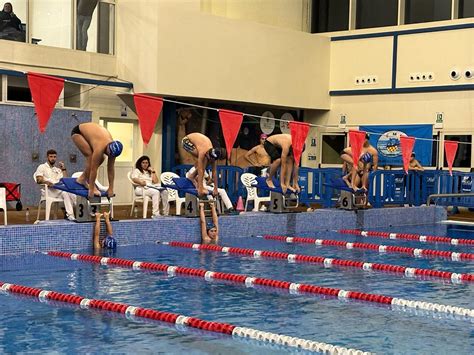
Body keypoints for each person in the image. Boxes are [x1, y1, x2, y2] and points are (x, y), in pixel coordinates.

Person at [71, 122, 123, 198]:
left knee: (102, 158)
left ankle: (82, 179)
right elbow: (93, 169)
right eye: (108, 153)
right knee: (91, 157)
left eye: (110, 155)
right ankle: (85, 180)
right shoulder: (100, 147)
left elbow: (110, 169)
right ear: (107, 148)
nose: (109, 156)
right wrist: (92, 189)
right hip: (78, 132)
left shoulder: (114, 149)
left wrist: (111, 188)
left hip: (94, 134)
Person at [34, 149, 76, 221]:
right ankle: (82, 208)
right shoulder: (42, 167)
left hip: (59, 190)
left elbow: (65, 180)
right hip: (49, 191)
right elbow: (38, 179)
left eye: (54, 157)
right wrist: (47, 182)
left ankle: (70, 215)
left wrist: (63, 169)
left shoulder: (57, 169)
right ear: (47, 157)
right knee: (69, 192)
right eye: (51, 156)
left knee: (67, 192)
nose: (53, 158)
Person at [181, 132, 224, 197]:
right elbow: (200, 170)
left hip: (200, 143)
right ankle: (193, 178)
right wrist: (200, 188)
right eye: (210, 158)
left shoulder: (213, 156)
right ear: (207, 154)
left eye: (213, 160)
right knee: (203, 162)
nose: (211, 161)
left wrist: (215, 188)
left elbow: (214, 171)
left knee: (206, 162)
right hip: (186, 141)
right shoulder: (203, 152)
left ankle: (192, 176)